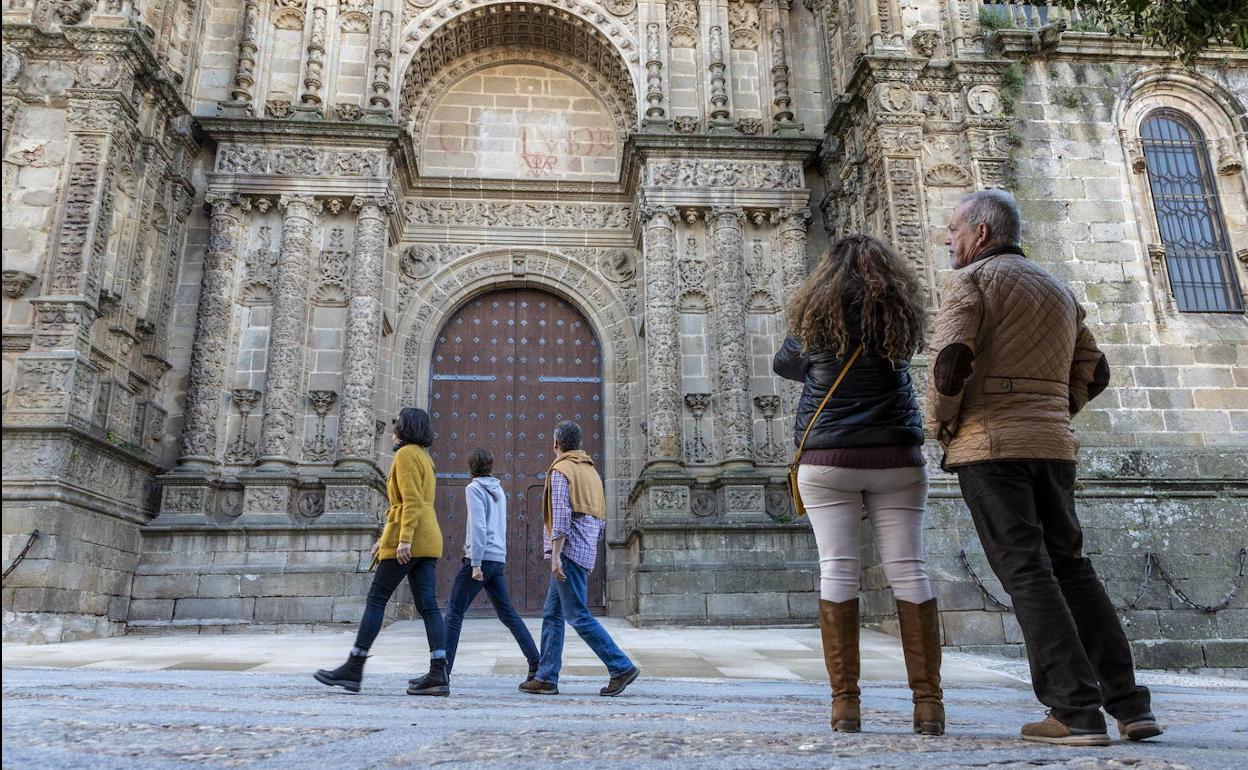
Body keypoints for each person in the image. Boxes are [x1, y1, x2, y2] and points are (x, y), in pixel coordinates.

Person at [928, 189, 1160, 746]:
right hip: (1053, 444)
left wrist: (943, 427)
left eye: (954, 230)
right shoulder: (1057, 288)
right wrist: (1055, 410)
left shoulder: (972, 282)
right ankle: (1129, 705)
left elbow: (948, 365)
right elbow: (1095, 369)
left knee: (1027, 574)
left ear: (981, 234)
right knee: (1072, 568)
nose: (947, 240)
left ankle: (1073, 711)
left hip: (992, 446)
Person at [773, 234, 944, 736]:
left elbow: (783, 365)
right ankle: (928, 706)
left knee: (837, 571)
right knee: (909, 570)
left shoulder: (817, 321)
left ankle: (845, 706)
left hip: (829, 460)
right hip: (897, 456)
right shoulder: (900, 318)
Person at [314, 407, 450, 696]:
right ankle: (439, 672)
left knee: (376, 599)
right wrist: (384, 539)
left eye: (396, 425)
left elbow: (410, 502)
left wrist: (403, 541)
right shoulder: (425, 457)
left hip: (411, 538)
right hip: (427, 538)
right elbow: (406, 506)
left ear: (405, 428)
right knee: (427, 606)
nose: (393, 431)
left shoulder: (404, 455)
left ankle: (354, 666)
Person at [519, 421, 639, 697]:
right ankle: (547, 677)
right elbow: (600, 518)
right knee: (553, 613)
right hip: (585, 551)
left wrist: (556, 555)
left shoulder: (561, 470)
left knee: (577, 615)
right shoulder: (591, 472)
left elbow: (560, 516)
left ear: (556, 444)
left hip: (569, 552)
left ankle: (620, 666)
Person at [438, 447, 541, 682]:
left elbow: (478, 527)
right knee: (507, 614)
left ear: (470, 467)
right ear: (490, 466)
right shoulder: (499, 491)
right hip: (496, 558)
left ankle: (442, 671)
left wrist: (475, 563)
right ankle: (536, 662)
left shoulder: (473, 488)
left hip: (481, 558)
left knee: (454, 612)